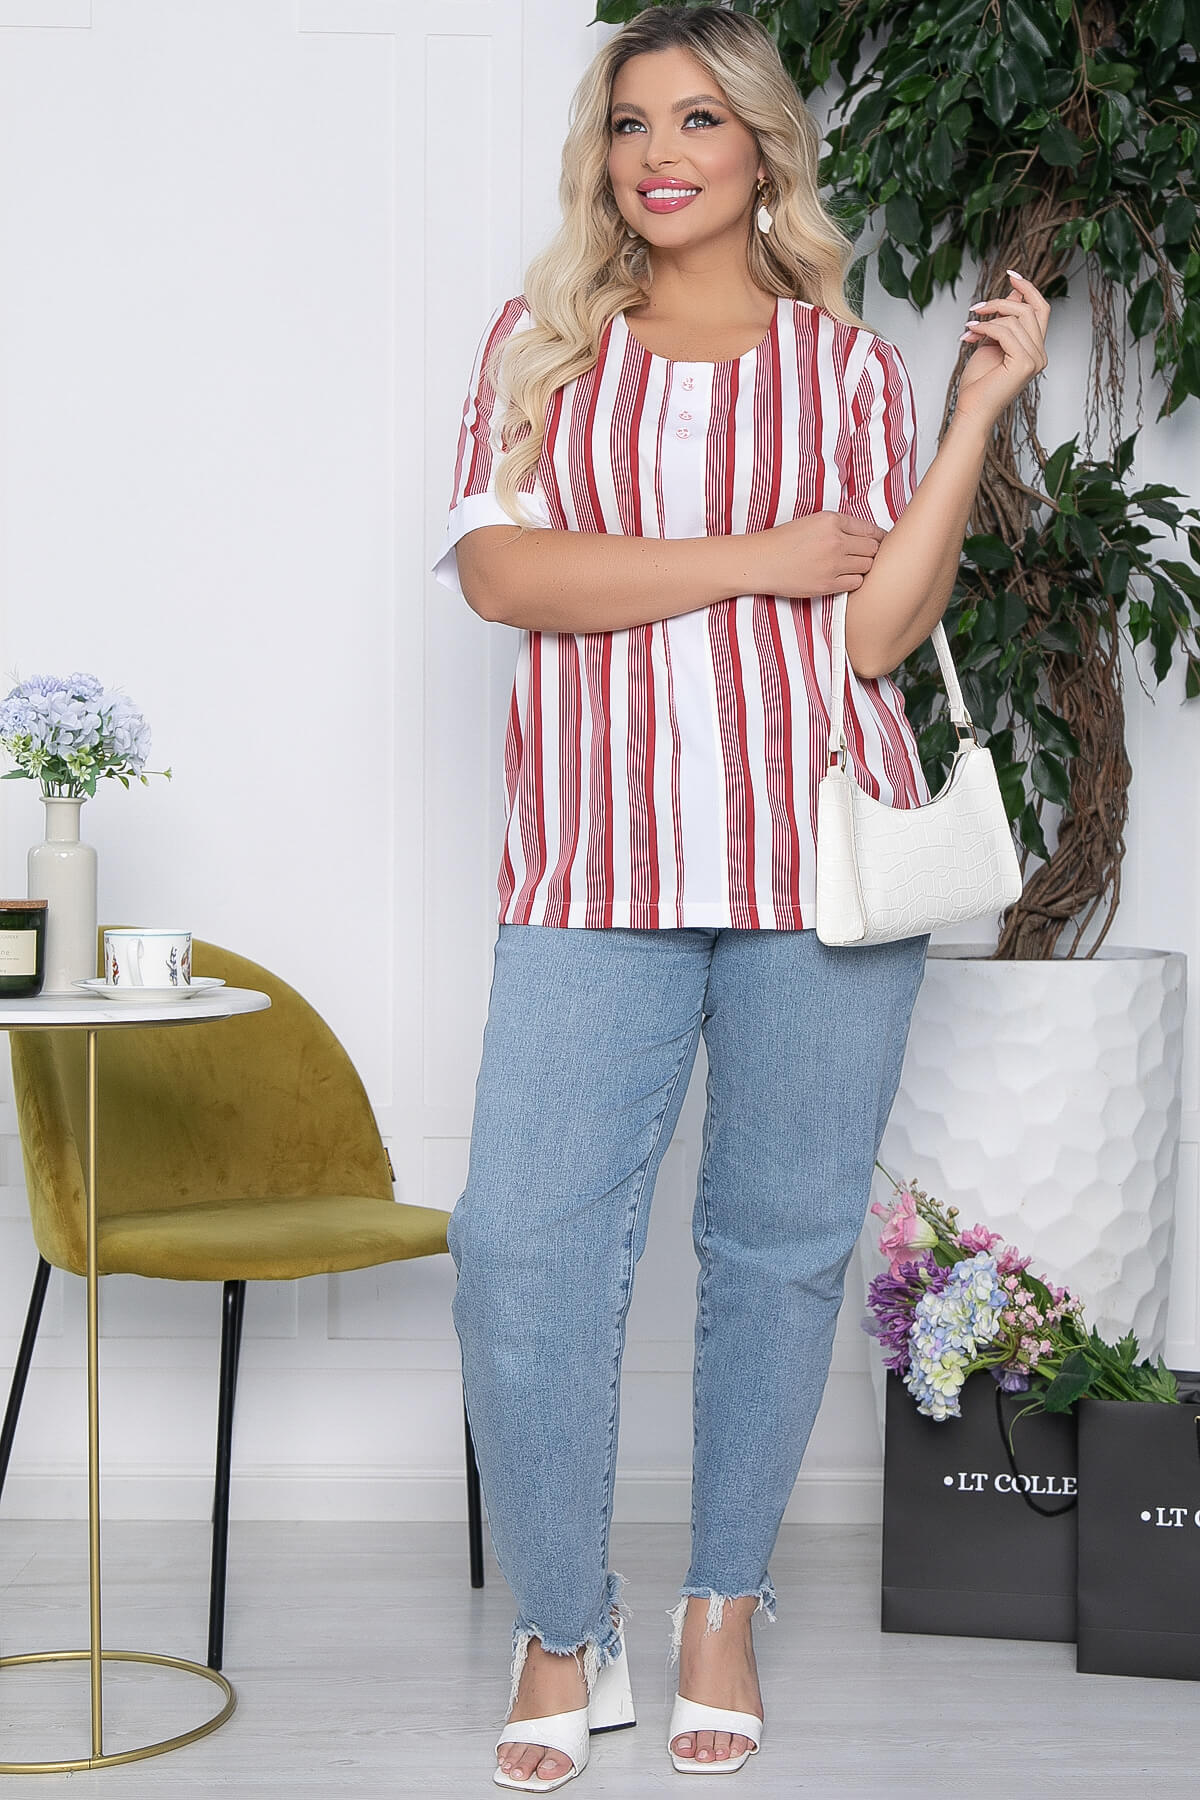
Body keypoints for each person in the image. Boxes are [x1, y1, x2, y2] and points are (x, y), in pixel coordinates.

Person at [430, 7, 1049, 1790]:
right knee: (523, 1246)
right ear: (604, 155)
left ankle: (721, 1608)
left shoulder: (843, 368)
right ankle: (567, 1625)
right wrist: (753, 559)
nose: (661, 153)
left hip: (816, 864)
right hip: (592, 860)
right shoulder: (542, 346)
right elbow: (502, 577)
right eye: (632, 123)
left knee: (776, 1252)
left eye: (699, 119)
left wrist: (974, 415)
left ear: (764, 145)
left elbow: (871, 636)